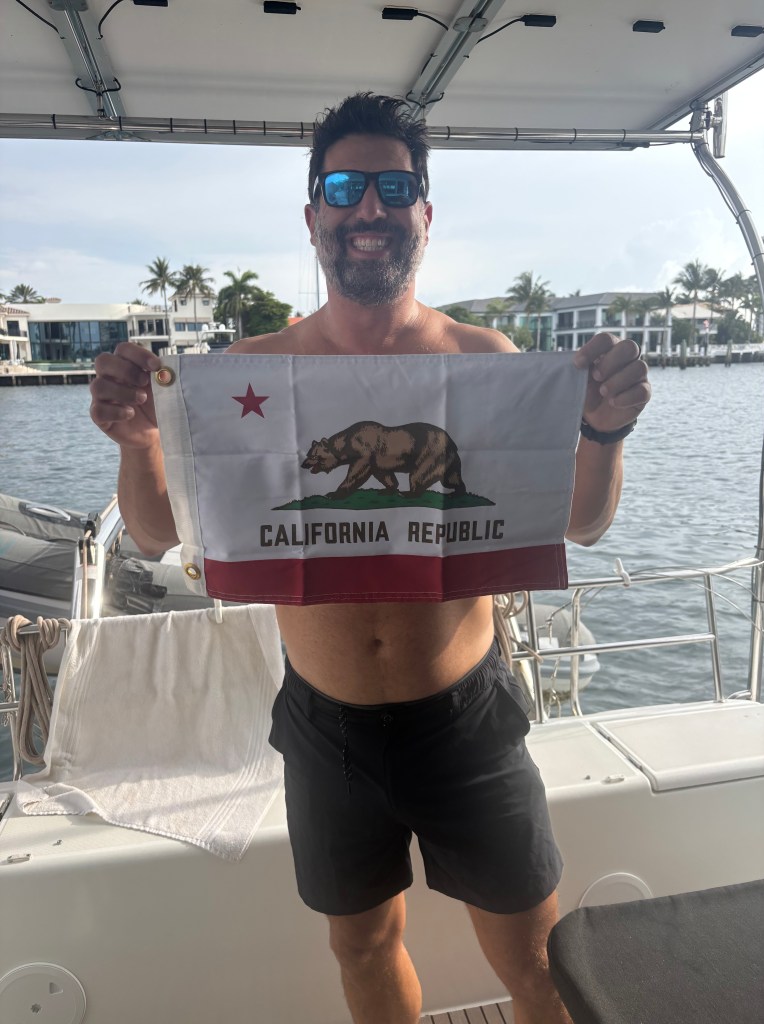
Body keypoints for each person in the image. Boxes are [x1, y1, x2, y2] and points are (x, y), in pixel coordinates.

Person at [90, 93, 650, 1024]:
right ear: (313, 215)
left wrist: (605, 431)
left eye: (394, 188)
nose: (369, 209)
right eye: (345, 187)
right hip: (326, 729)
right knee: (361, 947)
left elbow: (582, 524)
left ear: (425, 214)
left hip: (467, 717)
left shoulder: (487, 359)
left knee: (540, 964)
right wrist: (139, 442)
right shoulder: (247, 372)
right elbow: (154, 536)